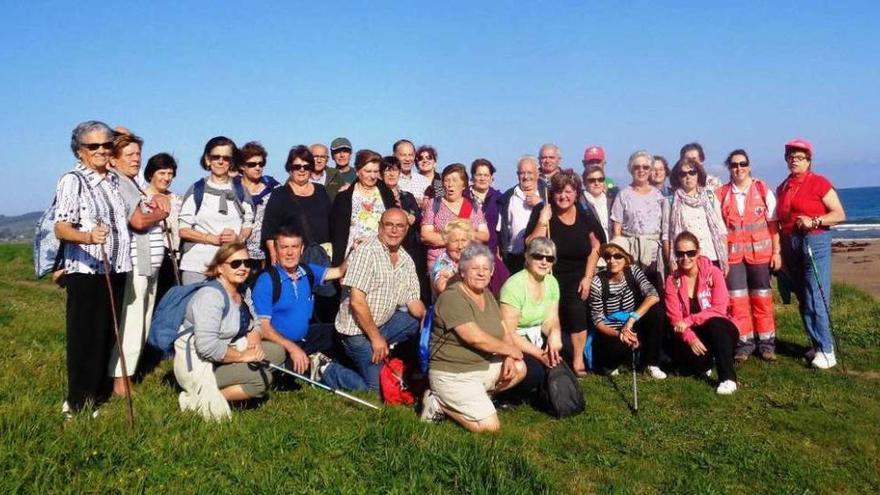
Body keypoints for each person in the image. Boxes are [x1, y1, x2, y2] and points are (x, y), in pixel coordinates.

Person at [54, 120, 133, 416]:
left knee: (105, 335)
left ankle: (95, 397)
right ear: (79, 151)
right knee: (84, 337)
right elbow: (61, 228)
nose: (101, 150)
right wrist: (88, 236)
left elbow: (126, 141)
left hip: (114, 268)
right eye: (93, 146)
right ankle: (76, 403)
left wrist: (119, 135)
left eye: (106, 144)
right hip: (86, 270)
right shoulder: (73, 180)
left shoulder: (112, 179)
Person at [421, 243, 527, 432]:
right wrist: (511, 350)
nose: (481, 273)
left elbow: (504, 331)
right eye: (475, 268)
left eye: (486, 268)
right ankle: (439, 402)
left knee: (519, 368)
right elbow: (475, 338)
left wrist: (510, 356)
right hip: (453, 373)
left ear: (492, 271)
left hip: (480, 366)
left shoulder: (487, 295)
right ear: (462, 271)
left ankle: (474, 399)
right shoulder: (452, 298)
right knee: (490, 427)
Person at [173, 243, 286, 420]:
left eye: (247, 263)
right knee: (261, 379)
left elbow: (254, 321)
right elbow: (206, 348)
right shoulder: (211, 297)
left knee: (277, 353)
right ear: (219, 268)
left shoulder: (242, 290)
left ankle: (232, 379)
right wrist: (242, 357)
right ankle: (199, 400)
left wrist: (254, 338)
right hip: (201, 363)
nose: (243, 268)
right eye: (235, 264)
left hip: (228, 349)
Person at [321, 209, 426, 391]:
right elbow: (356, 302)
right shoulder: (366, 251)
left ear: (406, 230)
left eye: (400, 226)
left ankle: (383, 356)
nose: (394, 230)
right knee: (376, 390)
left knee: (414, 322)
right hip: (356, 331)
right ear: (380, 227)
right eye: (389, 225)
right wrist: (376, 339)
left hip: (383, 323)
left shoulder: (406, 260)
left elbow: (413, 300)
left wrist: (426, 318)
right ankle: (327, 369)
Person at [107, 131, 172, 397]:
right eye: (130, 154)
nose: (136, 159)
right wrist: (162, 212)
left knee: (142, 322)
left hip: (149, 265)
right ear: (114, 158)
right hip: (137, 263)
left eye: (138, 154)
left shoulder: (131, 183)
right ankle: (121, 381)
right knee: (132, 323)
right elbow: (138, 221)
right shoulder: (121, 182)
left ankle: (128, 374)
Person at [525, 170, 604, 376]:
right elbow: (531, 245)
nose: (563, 196)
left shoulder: (585, 214)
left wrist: (587, 277)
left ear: (576, 193)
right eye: (559, 191)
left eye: (569, 192)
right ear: (552, 193)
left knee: (577, 310)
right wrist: (543, 221)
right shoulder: (543, 211)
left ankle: (578, 360)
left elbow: (596, 247)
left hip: (578, 276)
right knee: (548, 316)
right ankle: (550, 355)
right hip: (548, 275)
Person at [776, 138, 846, 369]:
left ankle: (828, 350)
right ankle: (816, 344)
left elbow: (839, 214)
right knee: (803, 297)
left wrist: (814, 220)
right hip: (791, 243)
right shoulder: (784, 186)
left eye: (799, 157)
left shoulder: (819, 183)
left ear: (808, 160)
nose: (794, 161)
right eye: (791, 157)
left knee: (816, 295)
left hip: (814, 240)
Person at [252, 228, 346, 376]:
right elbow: (263, 328)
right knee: (287, 372)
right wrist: (292, 348)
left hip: (304, 339)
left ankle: (320, 363)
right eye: (284, 247)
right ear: (276, 250)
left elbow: (339, 271)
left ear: (302, 249)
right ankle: (311, 367)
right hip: (279, 345)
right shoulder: (267, 280)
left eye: (294, 247)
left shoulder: (306, 271)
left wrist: (355, 249)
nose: (290, 253)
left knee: (341, 331)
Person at [716, 149, 781, 362]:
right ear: (729, 168)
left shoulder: (762, 189)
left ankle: (767, 344)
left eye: (742, 164)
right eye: (734, 165)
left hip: (760, 256)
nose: (739, 168)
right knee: (737, 301)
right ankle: (744, 344)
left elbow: (773, 225)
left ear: (749, 166)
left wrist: (777, 252)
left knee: (762, 299)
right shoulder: (721, 194)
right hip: (733, 259)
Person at [665, 232, 739, 395]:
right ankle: (707, 362)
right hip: (692, 333)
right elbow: (675, 318)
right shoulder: (672, 280)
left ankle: (728, 378)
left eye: (690, 253)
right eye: (680, 254)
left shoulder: (714, 273)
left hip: (721, 328)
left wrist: (690, 320)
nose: (685, 258)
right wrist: (690, 338)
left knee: (715, 323)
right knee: (690, 365)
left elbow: (719, 309)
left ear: (698, 252)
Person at [178, 136, 254, 284]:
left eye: (226, 158)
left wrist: (238, 238)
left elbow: (248, 224)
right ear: (207, 160)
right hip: (197, 266)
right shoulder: (196, 190)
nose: (220, 161)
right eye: (216, 157)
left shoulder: (241, 191)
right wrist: (212, 239)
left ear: (231, 162)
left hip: (231, 267)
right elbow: (183, 230)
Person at [588, 242, 666, 379]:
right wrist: (620, 334)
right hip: (610, 329)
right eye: (608, 256)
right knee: (616, 348)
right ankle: (613, 363)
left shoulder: (633, 271)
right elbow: (598, 322)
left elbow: (653, 295)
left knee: (656, 313)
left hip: (631, 321)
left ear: (626, 258)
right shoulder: (597, 282)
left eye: (617, 256)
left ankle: (651, 363)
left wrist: (631, 321)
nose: (612, 261)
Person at [498, 237, 563, 400]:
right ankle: (507, 394)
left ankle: (543, 385)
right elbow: (508, 333)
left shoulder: (552, 282)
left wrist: (555, 334)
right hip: (513, 340)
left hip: (536, 334)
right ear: (527, 257)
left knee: (564, 348)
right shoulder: (514, 286)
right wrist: (540, 354)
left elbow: (551, 319)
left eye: (549, 258)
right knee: (535, 373)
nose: (544, 262)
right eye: (538, 256)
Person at [261, 145, 332, 266]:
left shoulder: (321, 191)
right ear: (290, 169)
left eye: (306, 166)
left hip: (321, 257)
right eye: (297, 166)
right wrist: (274, 255)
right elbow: (269, 230)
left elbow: (331, 222)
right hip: (292, 258)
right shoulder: (279, 194)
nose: (302, 170)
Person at [330, 149, 396, 265]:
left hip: (382, 257)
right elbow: (337, 235)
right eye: (368, 171)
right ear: (357, 171)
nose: (372, 176)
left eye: (375, 172)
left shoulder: (387, 194)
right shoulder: (343, 198)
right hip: (353, 259)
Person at [610, 150, 668, 282]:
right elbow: (617, 230)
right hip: (631, 253)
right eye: (637, 167)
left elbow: (664, 228)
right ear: (631, 170)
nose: (641, 170)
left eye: (645, 167)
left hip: (654, 256)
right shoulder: (623, 195)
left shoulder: (659, 196)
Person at [420, 163, 490, 271]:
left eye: (454, 180)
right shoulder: (434, 204)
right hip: (440, 262)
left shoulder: (473, 206)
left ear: (463, 185)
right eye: (447, 180)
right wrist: (454, 240)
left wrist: (462, 237)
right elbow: (425, 235)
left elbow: (484, 235)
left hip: (469, 262)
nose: (450, 184)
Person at [664, 157, 728, 274]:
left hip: (712, 256)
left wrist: (725, 260)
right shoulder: (670, 202)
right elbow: (666, 236)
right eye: (683, 174)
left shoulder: (710, 197)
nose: (688, 176)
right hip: (686, 259)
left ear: (698, 174)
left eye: (692, 172)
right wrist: (671, 262)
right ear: (677, 178)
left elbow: (721, 230)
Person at [380, 155, 427, 303]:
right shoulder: (378, 196)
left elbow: (418, 217)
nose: (392, 174)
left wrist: (412, 217)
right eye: (387, 171)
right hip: (388, 248)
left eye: (395, 170)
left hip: (411, 248)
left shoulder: (408, 196)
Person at [466, 158, 509, 293]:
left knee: (499, 286)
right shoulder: (464, 197)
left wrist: (501, 249)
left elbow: (503, 227)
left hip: (491, 251)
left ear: (491, 178)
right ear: (472, 177)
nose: (482, 178)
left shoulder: (499, 198)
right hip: (468, 251)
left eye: (486, 175)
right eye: (479, 175)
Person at [144, 153, 183, 304]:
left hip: (177, 259)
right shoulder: (141, 198)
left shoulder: (178, 200)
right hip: (152, 259)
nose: (166, 178)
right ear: (150, 174)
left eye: (170, 174)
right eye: (162, 173)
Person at [498, 155, 546, 274]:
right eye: (522, 173)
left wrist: (541, 203)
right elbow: (500, 230)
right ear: (517, 174)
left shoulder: (547, 194)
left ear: (537, 173)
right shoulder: (507, 198)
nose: (526, 177)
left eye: (529, 172)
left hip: (541, 258)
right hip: (514, 258)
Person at [237, 141, 280, 267]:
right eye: (252, 164)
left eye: (261, 164)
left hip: (267, 255)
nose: (258, 167)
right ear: (241, 166)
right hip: (238, 253)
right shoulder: (232, 189)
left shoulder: (273, 187)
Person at [431, 219, 473, 295]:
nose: (460, 246)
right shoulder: (443, 261)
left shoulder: (473, 258)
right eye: (455, 241)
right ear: (446, 243)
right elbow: (441, 287)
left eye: (463, 240)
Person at [580, 165, 613, 243]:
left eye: (600, 179)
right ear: (584, 183)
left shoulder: (612, 202)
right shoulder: (579, 203)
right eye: (592, 180)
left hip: (610, 249)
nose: (596, 183)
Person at [395, 139, 431, 204]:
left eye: (410, 155)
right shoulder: (391, 180)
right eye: (403, 155)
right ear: (394, 156)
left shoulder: (424, 181)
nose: (407, 159)